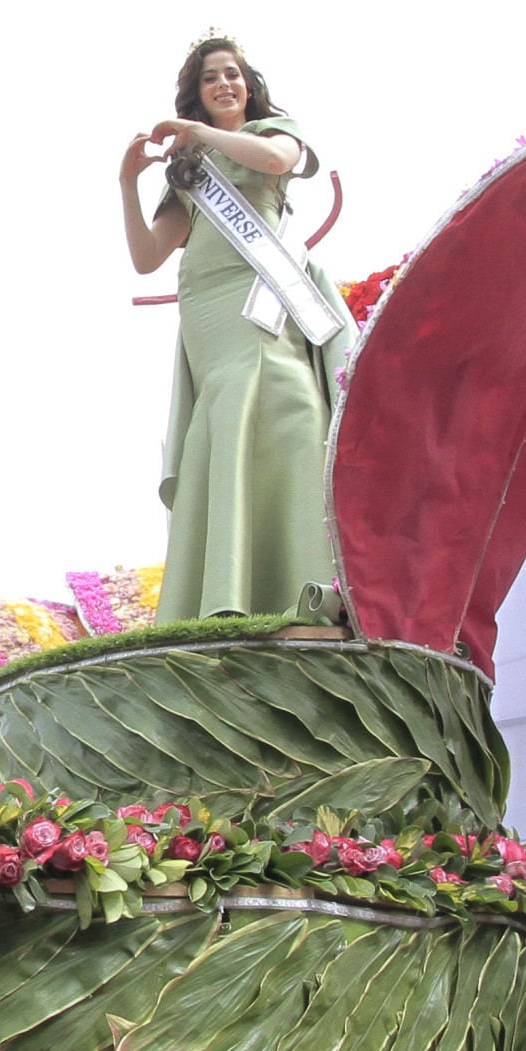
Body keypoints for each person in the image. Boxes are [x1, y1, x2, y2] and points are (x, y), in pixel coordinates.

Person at [117, 36, 357, 619]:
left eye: (231, 74)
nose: (223, 84)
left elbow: (276, 162)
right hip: (209, 307)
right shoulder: (187, 173)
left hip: (264, 294)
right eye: (209, 79)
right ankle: (220, 593)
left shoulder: (274, 133)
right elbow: (149, 256)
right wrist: (127, 183)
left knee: (292, 413)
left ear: (248, 84)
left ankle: (303, 573)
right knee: (223, 424)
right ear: (196, 93)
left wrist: (196, 133)